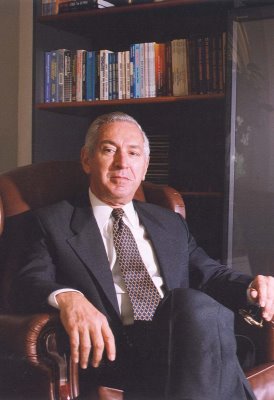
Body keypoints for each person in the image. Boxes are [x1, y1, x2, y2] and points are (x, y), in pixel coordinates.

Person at [12, 112, 274, 400]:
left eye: (133, 153)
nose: (122, 163)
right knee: (193, 310)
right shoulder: (50, 221)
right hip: (117, 350)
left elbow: (209, 273)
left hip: (185, 338)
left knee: (192, 307)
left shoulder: (169, 223)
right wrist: (68, 297)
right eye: (109, 150)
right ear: (87, 159)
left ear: (145, 166)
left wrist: (252, 287)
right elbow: (27, 280)